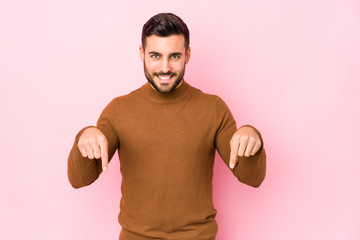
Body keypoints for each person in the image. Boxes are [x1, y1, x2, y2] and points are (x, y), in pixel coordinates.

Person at [67, 12, 266, 240]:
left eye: (174, 56)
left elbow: (252, 178)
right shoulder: (119, 110)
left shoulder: (214, 108)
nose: (164, 68)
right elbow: (79, 179)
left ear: (187, 55)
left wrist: (252, 137)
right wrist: (85, 135)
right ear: (141, 54)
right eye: (155, 55)